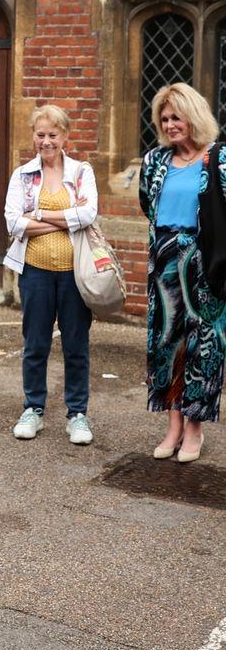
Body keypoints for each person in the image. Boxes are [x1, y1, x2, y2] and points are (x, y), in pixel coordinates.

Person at [139, 82, 224, 463]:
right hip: (163, 263)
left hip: (205, 265)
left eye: (177, 117)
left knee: (202, 348)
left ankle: (194, 429)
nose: (171, 125)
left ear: (194, 116)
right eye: (165, 118)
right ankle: (172, 424)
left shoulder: (219, 159)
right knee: (167, 345)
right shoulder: (155, 161)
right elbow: (148, 204)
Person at [3, 104, 98, 445]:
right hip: (35, 272)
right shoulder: (23, 175)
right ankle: (34, 409)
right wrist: (62, 219)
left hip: (75, 275)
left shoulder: (81, 172)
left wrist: (39, 214)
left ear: (65, 137)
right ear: (34, 137)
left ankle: (77, 414)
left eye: (53, 135)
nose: (46, 141)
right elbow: (12, 221)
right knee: (36, 345)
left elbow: (88, 214)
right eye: (40, 134)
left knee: (76, 345)